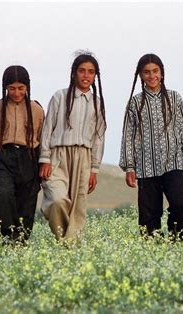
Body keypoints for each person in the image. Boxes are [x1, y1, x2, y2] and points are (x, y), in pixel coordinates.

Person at [119, 53, 183, 241]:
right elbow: (128, 136)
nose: (151, 76)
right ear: (140, 75)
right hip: (146, 167)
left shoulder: (174, 98)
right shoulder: (135, 103)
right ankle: (153, 250)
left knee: (179, 206)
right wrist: (129, 167)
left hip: (174, 163)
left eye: (155, 71)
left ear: (162, 73)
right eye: (146, 72)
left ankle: (175, 242)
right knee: (149, 215)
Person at [39, 52, 106, 242]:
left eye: (91, 72)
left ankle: (70, 249)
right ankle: (63, 238)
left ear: (95, 76)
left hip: (83, 158)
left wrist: (94, 168)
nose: (86, 76)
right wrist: (44, 158)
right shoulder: (60, 96)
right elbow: (47, 128)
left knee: (77, 207)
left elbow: (98, 138)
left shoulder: (98, 103)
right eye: (82, 71)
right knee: (57, 200)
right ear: (74, 73)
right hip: (58, 156)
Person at [0, 65, 44, 245]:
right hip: (1, 157)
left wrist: (44, 165)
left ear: (27, 87)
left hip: (28, 158)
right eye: (12, 88)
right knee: (4, 195)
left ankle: (21, 243)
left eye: (21, 88)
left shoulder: (37, 110)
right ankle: (8, 238)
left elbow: (43, 140)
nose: (16, 93)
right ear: (5, 87)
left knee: (27, 202)